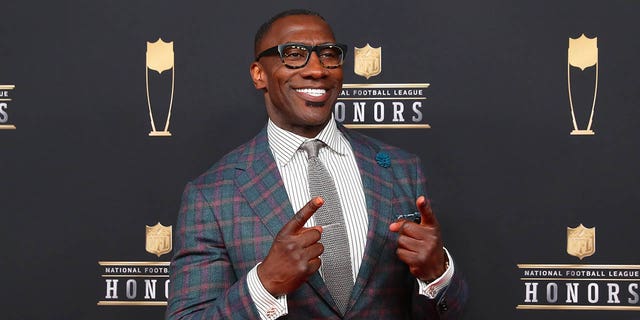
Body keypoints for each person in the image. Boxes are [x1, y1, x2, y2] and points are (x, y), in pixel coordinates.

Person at [167, 9, 468, 319]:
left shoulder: (401, 170)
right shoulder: (212, 194)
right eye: (294, 54)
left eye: (328, 54)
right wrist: (265, 283)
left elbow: (446, 312)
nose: (317, 70)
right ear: (259, 74)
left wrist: (437, 274)